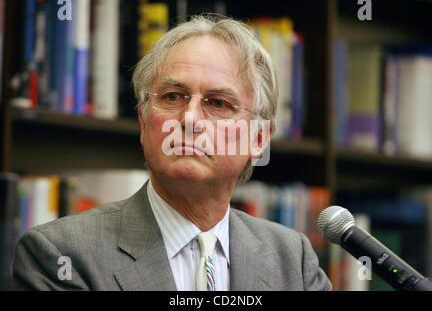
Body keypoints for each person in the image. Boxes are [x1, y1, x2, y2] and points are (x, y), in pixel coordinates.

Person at [12, 14, 332, 291]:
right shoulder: (61, 254)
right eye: (173, 96)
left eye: (218, 103)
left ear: (259, 138)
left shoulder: (293, 260)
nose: (190, 119)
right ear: (143, 120)